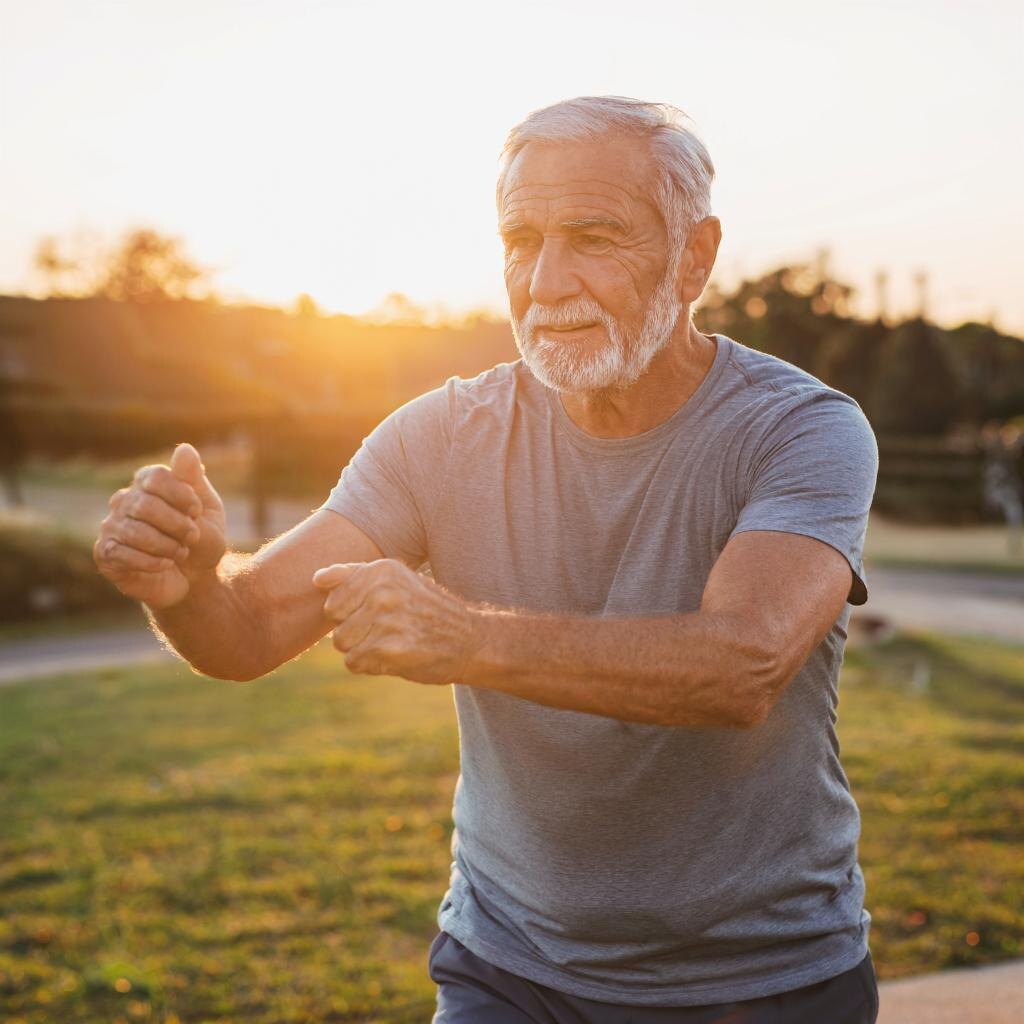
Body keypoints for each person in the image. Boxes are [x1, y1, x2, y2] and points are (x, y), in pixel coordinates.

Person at [93, 96, 881, 1023]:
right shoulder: (438, 436)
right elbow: (249, 629)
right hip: (509, 967)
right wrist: (187, 586)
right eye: (522, 238)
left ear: (695, 256)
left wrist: (463, 638)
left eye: (594, 237)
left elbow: (741, 666)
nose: (548, 281)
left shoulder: (801, 429)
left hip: (761, 980)